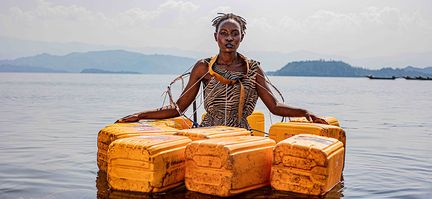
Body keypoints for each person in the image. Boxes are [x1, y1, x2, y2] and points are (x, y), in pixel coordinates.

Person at [116, 13, 328, 127]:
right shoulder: (203, 68)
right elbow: (178, 108)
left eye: (234, 33)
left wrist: (306, 113)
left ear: (241, 37)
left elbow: (274, 106)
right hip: (208, 133)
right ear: (215, 36)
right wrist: (140, 115)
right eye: (224, 33)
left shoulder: (253, 69)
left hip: (241, 137)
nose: (229, 38)